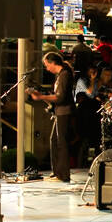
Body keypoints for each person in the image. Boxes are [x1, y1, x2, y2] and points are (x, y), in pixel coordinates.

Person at [28, 52, 75, 182]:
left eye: (47, 65)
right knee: (54, 141)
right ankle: (57, 172)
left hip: (64, 112)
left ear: (53, 62)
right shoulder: (60, 75)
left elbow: (60, 97)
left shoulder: (64, 75)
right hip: (60, 111)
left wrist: (41, 97)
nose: (47, 68)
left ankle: (63, 174)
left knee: (62, 143)